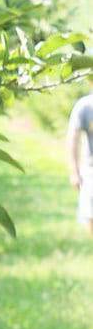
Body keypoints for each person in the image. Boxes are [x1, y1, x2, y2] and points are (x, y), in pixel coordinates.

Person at [67, 92, 93, 235]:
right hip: (90, 172)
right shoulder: (85, 106)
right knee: (90, 214)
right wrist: (74, 172)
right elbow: (73, 140)